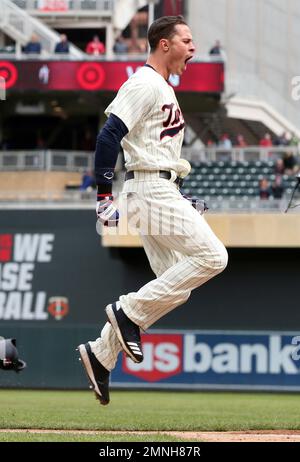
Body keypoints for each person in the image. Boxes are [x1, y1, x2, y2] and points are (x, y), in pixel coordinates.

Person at [77, 16, 228, 406]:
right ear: (164, 44)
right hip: (148, 188)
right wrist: (103, 194)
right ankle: (126, 311)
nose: (193, 48)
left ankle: (101, 353)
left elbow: (156, 151)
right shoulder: (144, 82)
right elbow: (110, 134)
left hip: (160, 188)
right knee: (214, 257)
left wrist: (179, 196)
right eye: (187, 40)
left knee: (175, 285)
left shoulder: (161, 87)